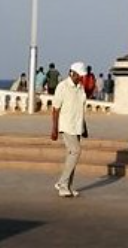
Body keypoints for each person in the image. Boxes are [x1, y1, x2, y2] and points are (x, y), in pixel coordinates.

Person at [50, 62, 89, 198]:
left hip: (77, 126)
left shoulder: (81, 88)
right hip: (66, 126)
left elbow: (81, 109)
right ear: (72, 73)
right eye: (79, 75)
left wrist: (84, 127)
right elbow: (55, 109)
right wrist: (54, 128)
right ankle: (62, 184)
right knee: (76, 151)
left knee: (72, 156)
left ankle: (68, 186)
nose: (81, 77)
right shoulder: (62, 87)